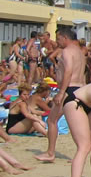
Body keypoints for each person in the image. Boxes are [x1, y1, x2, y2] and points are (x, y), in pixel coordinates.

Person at [36, 28, 87, 163]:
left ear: (65, 38)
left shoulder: (67, 51)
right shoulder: (80, 53)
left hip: (69, 89)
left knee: (52, 120)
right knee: (77, 123)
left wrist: (61, 92)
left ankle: (50, 152)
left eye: (58, 39)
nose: (57, 42)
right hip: (80, 89)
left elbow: (69, 72)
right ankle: (79, 152)